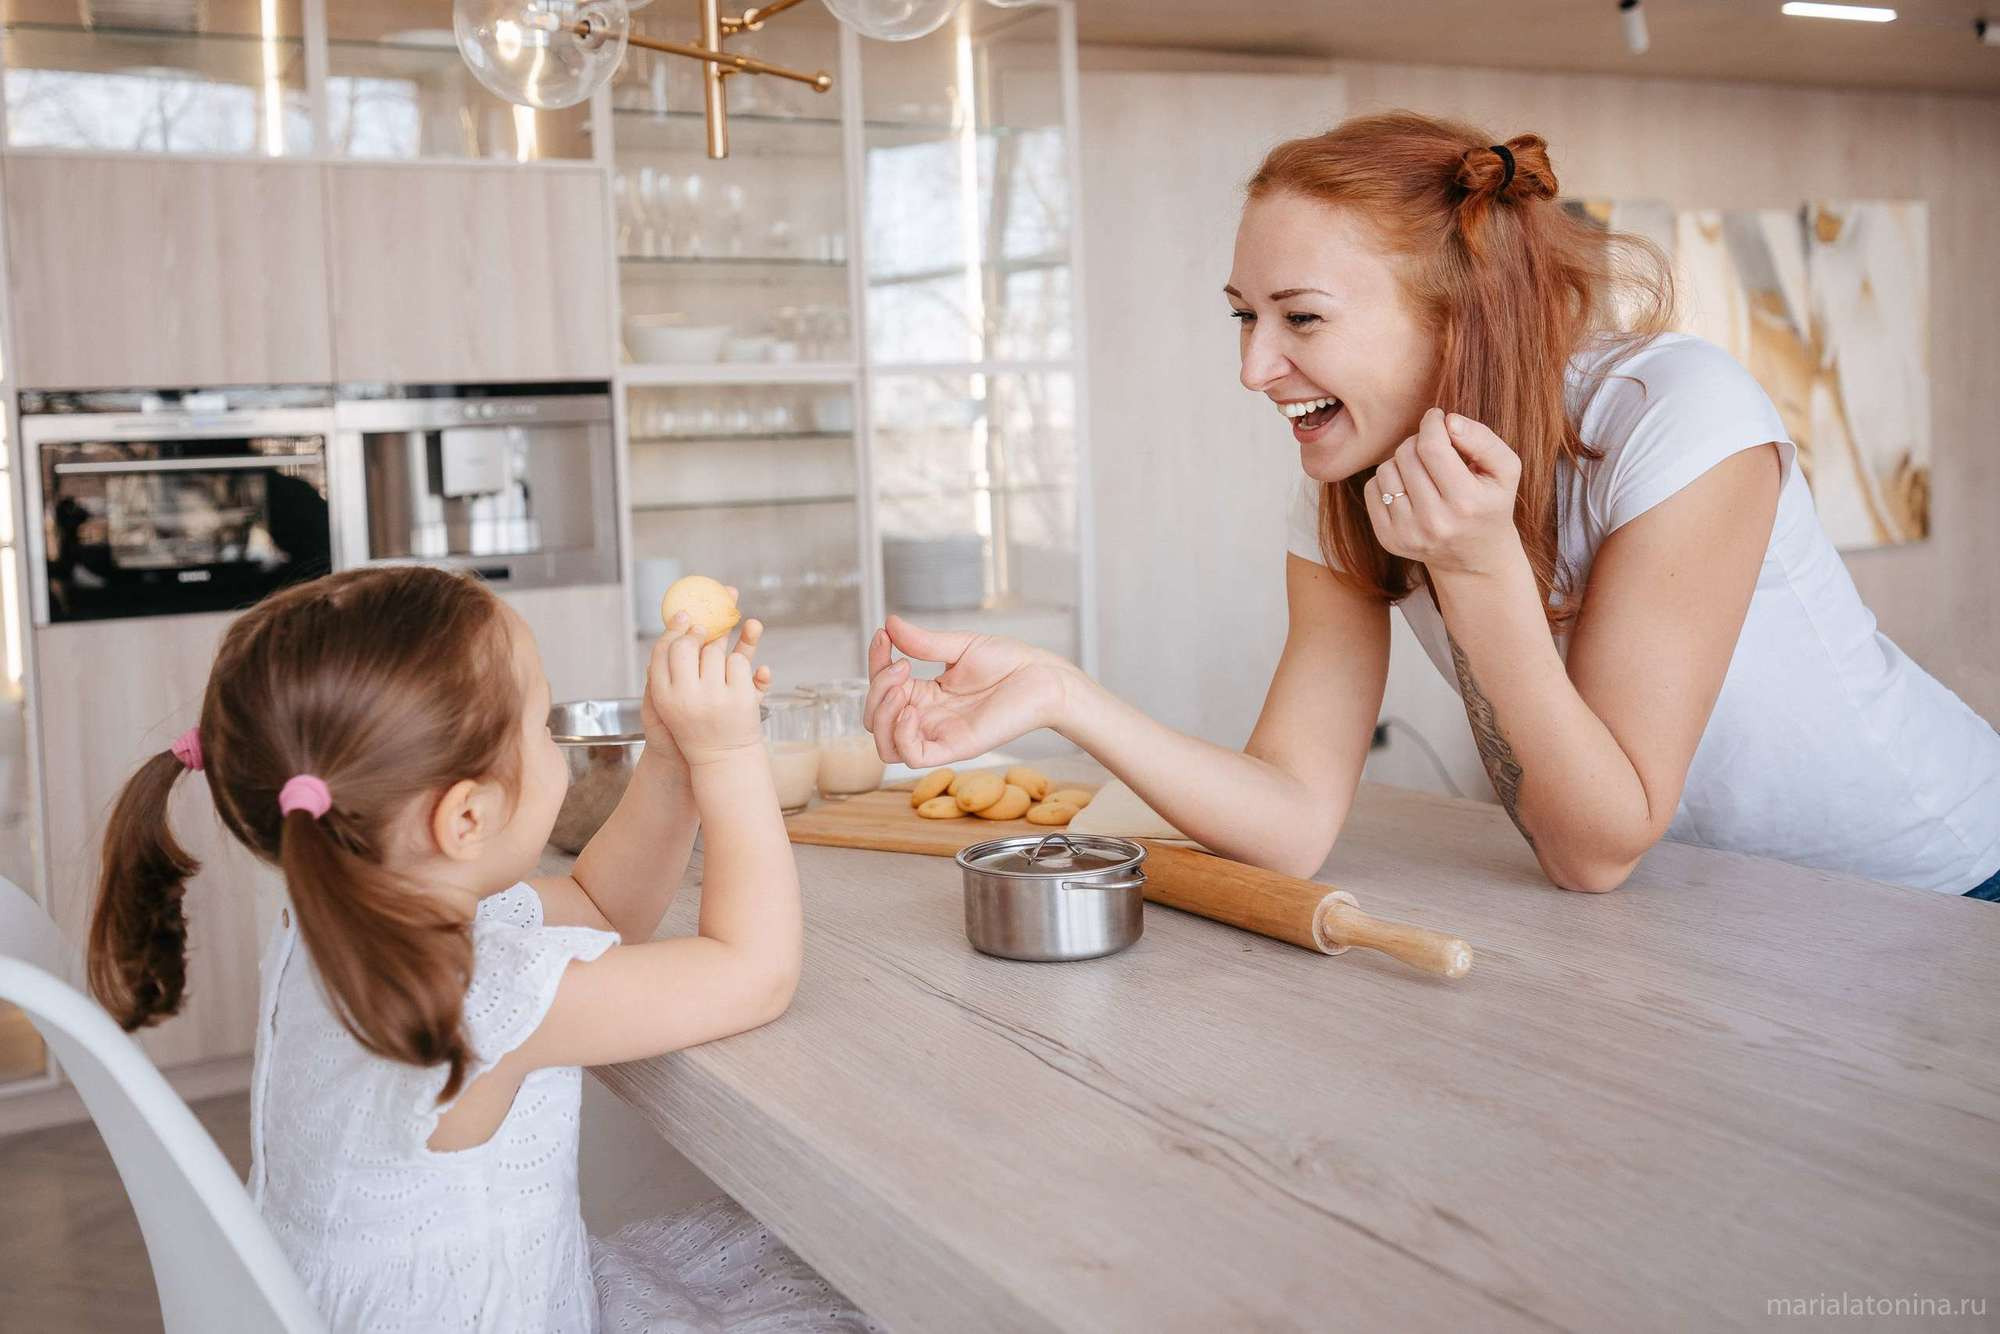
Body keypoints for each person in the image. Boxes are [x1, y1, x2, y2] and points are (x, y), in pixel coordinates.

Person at [864, 111, 2000, 899]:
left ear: (1457, 316)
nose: (1255, 368)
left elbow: (1594, 846)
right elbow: (1292, 814)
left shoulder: (1679, 415)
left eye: (1299, 319)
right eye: (1241, 316)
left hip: (1938, 884)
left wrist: (1475, 571)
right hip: (1723, 907)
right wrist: (1065, 697)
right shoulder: (1341, 477)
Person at [87, 564, 879, 1330]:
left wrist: (671, 758)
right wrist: (731, 756)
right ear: (465, 818)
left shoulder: (347, 918)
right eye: (541, 727)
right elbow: (756, 972)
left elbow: (600, 909)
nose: (551, 741)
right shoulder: (483, 998)